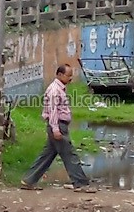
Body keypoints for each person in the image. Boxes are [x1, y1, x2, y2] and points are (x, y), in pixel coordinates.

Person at [21, 62, 91, 190]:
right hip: (58, 126)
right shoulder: (54, 90)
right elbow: (53, 111)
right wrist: (55, 129)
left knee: (46, 156)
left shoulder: (59, 89)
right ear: (59, 74)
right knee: (70, 155)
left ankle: (29, 180)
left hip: (58, 126)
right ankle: (80, 183)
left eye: (71, 75)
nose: (70, 78)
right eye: (68, 75)